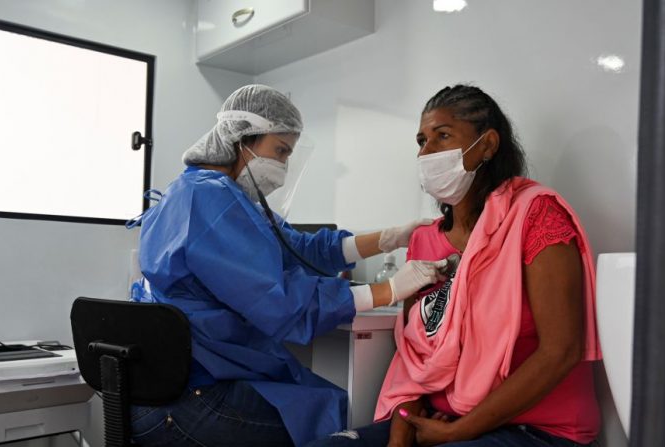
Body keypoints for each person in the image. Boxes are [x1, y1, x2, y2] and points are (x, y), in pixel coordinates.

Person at [128, 84, 448, 447]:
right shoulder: (209, 201)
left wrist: (389, 237)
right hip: (189, 400)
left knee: (320, 401)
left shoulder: (208, 193)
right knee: (341, 418)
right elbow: (281, 303)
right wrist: (387, 290)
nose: (282, 165)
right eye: (279, 150)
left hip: (175, 386)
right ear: (241, 138)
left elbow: (300, 250)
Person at [306, 84, 601, 447]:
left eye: (442, 136)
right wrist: (401, 432)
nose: (426, 152)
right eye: (421, 141)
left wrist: (461, 430)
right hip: (439, 422)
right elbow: (416, 357)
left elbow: (561, 352)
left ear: (488, 145)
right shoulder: (425, 240)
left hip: (536, 429)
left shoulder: (536, 217)